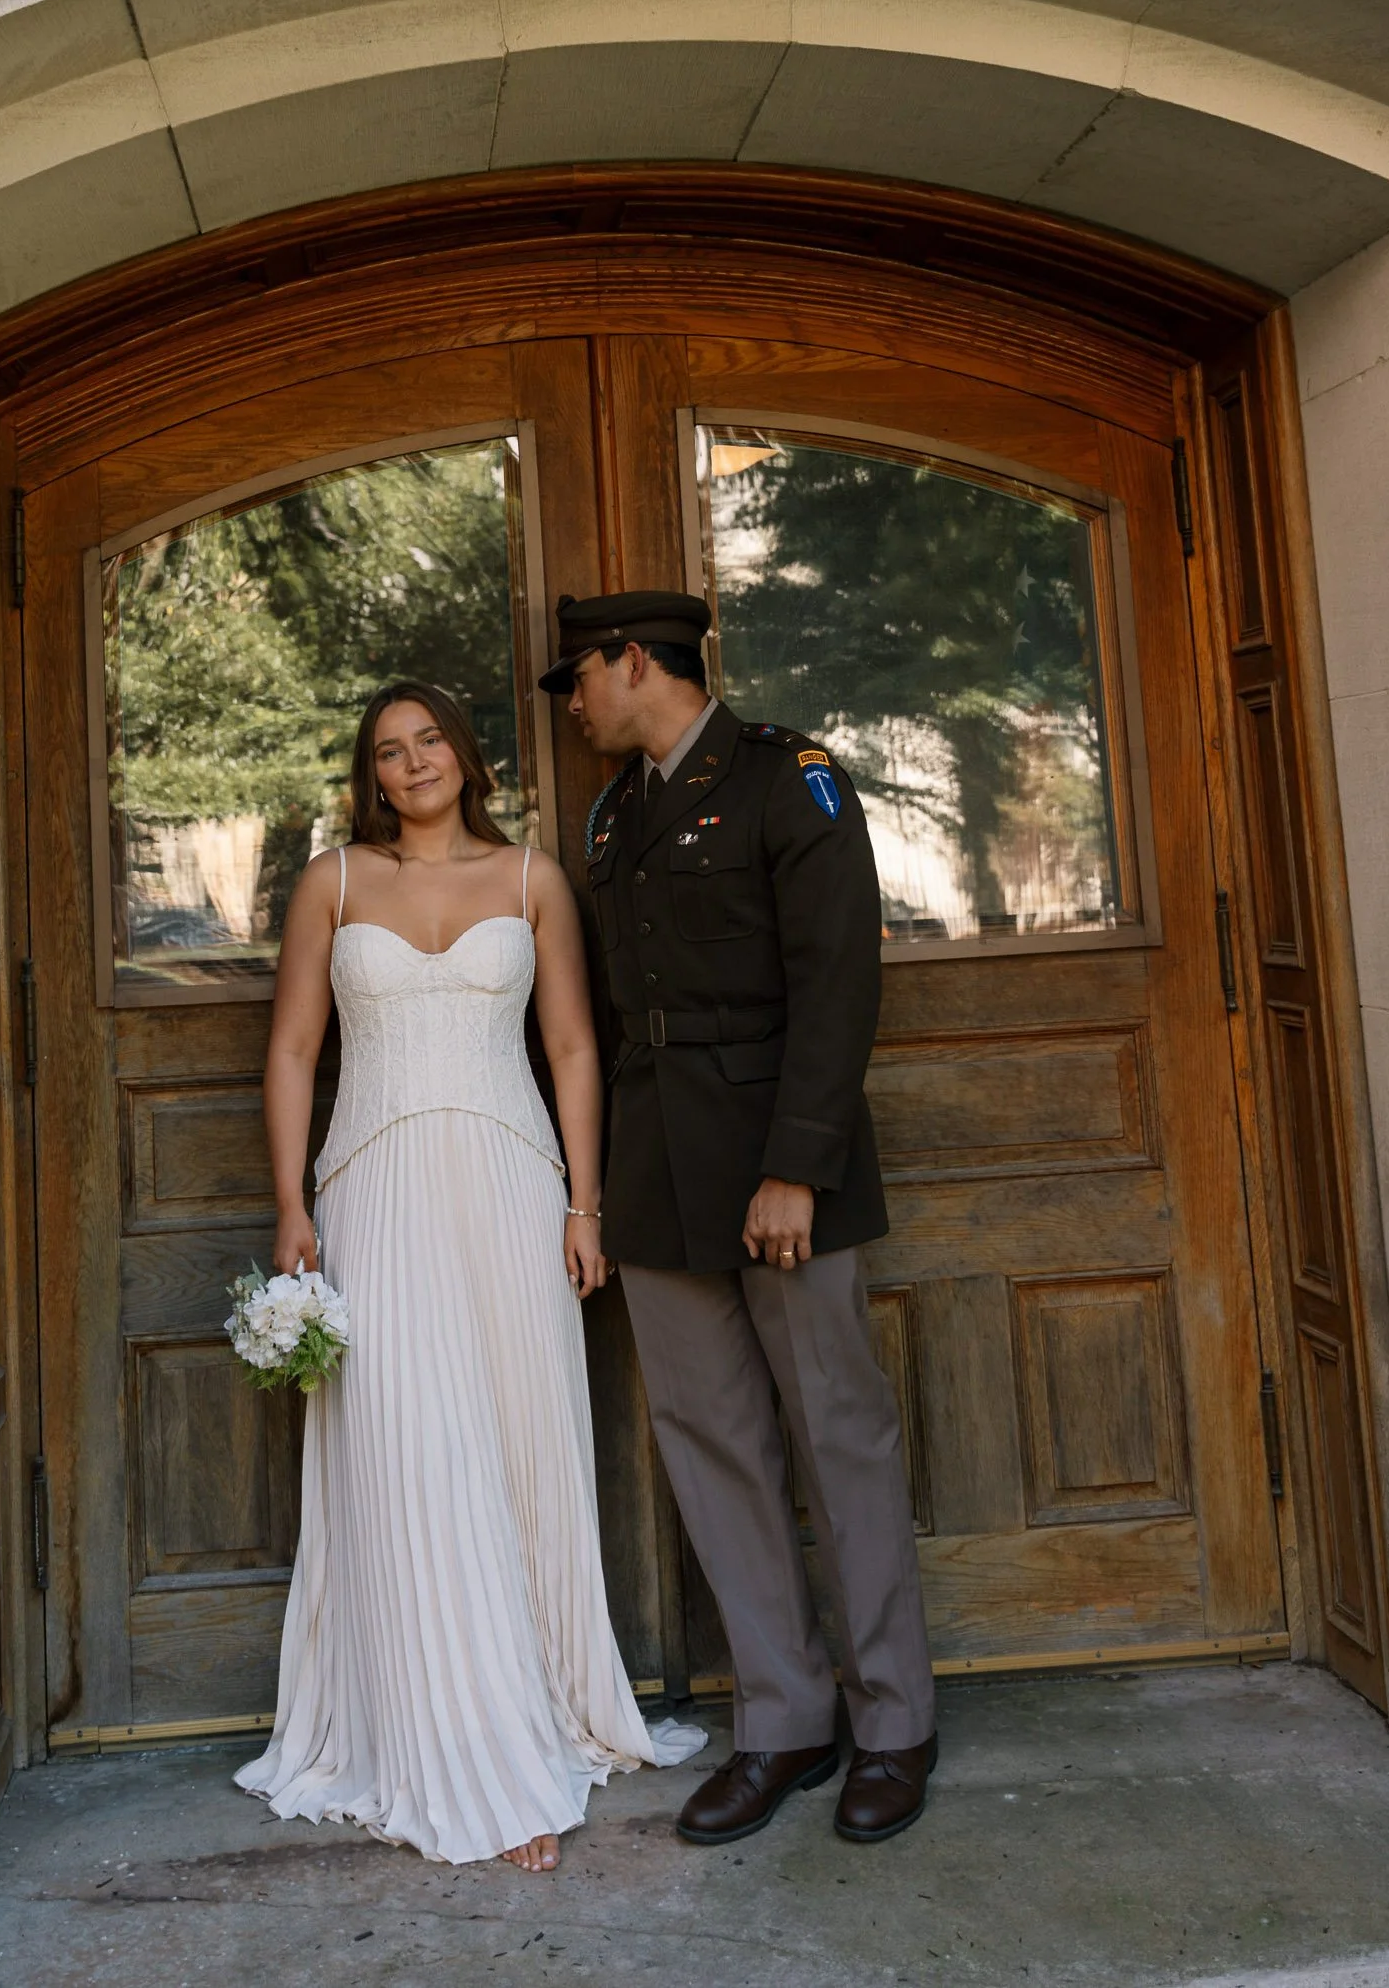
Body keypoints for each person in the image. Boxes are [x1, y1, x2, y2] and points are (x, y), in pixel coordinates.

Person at [236, 679, 701, 1871]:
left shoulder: (534, 878)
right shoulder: (332, 882)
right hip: (374, 1191)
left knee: (513, 1446)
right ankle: (456, 1750)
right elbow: (292, 1047)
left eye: (427, 739)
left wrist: (581, 1205)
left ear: (462, 752)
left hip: (508, 1188)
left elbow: (572, 1048)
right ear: (371, 776)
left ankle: (529, 1713)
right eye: (387, 753)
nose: (411, 763)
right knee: (409, 1457)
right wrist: (291, 1201)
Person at [540, 590, 938, 1848]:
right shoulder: (614, 813)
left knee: (837, 1434)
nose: (569, 702)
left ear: (633, 662)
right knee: (710, 1444)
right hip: (660, 1165)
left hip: (777, 1159)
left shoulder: (788, 779)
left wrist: (797, 1169)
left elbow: (838, 981)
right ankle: (783, 1716)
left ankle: (893, 1721)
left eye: (578, 678)